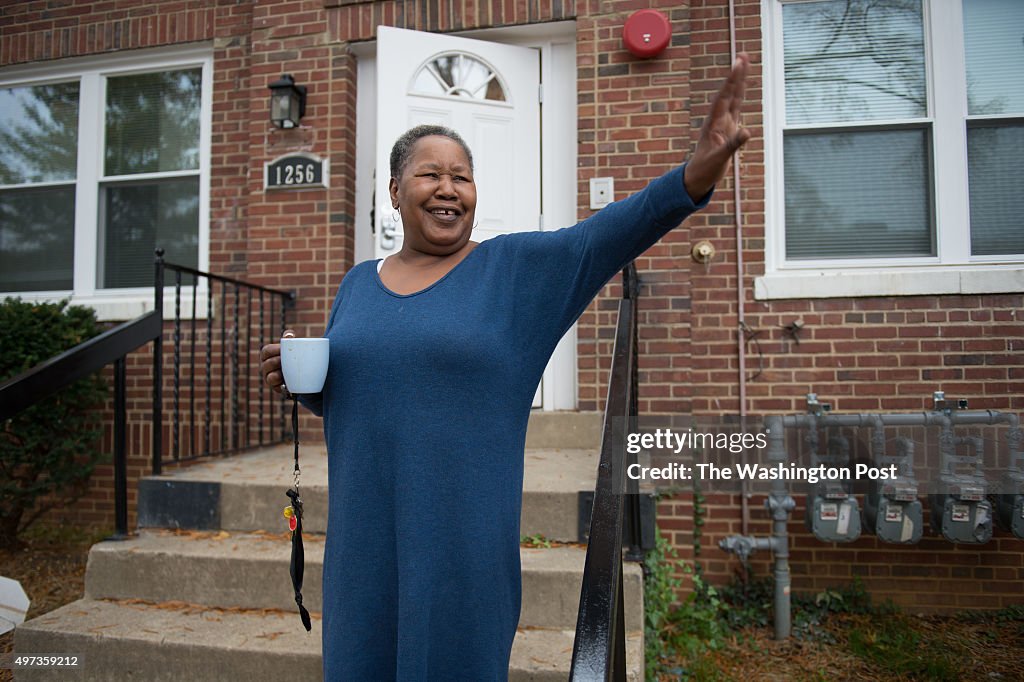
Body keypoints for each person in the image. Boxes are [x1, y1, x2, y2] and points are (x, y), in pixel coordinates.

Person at [260, 54, 750, 681]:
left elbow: (608, 235)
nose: (448, 188)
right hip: (364, 545)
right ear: (394, 191)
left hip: (461, 548)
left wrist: (695, 171)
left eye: (461, 177)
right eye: (430, 174)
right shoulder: (357, 283)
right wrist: (302, 384)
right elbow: (369, 392)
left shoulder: (515, 273)